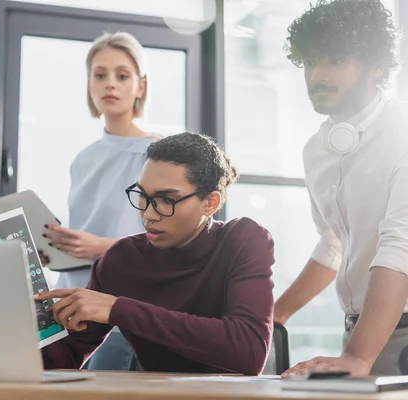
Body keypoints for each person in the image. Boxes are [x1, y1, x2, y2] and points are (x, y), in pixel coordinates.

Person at [36, 132, 275, 375]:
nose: (148, 215)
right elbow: (66, 355)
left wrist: (120, 309)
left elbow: (250, 352)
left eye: (166, 200)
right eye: (142, 196)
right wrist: (25, 324)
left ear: (210, 203)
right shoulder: (121, 260)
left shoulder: (244, 239)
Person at [274, 0, 408, 377]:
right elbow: (332, 244)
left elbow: (401, 245)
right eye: (310, 62)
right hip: (357, 330)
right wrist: (277, 312)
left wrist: (359, 356)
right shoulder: (317, 150)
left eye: (335, 60)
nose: (317, 74)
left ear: (376, 64)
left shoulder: (404, 130)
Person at [42, 32, 160, 370]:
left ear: (140, 86)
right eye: (100, 74)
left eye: (122, 75)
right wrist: (59, 250)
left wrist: (100, 246)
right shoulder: (83, 160)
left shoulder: (158, 154)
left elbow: (172, 246)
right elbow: (82, 234)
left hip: (120, 307)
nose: (110, 84)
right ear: (89, 84)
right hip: (69, 305)